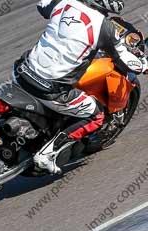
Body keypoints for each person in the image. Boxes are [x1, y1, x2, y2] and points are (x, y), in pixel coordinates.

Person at [14, 0, 148, 173]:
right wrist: (143, 65)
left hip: (20, 71)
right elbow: (124, 59)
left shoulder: (64, 2)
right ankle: (47, 154)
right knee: (96, 116)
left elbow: (42, 6)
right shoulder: (105, 27)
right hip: (50, 89)